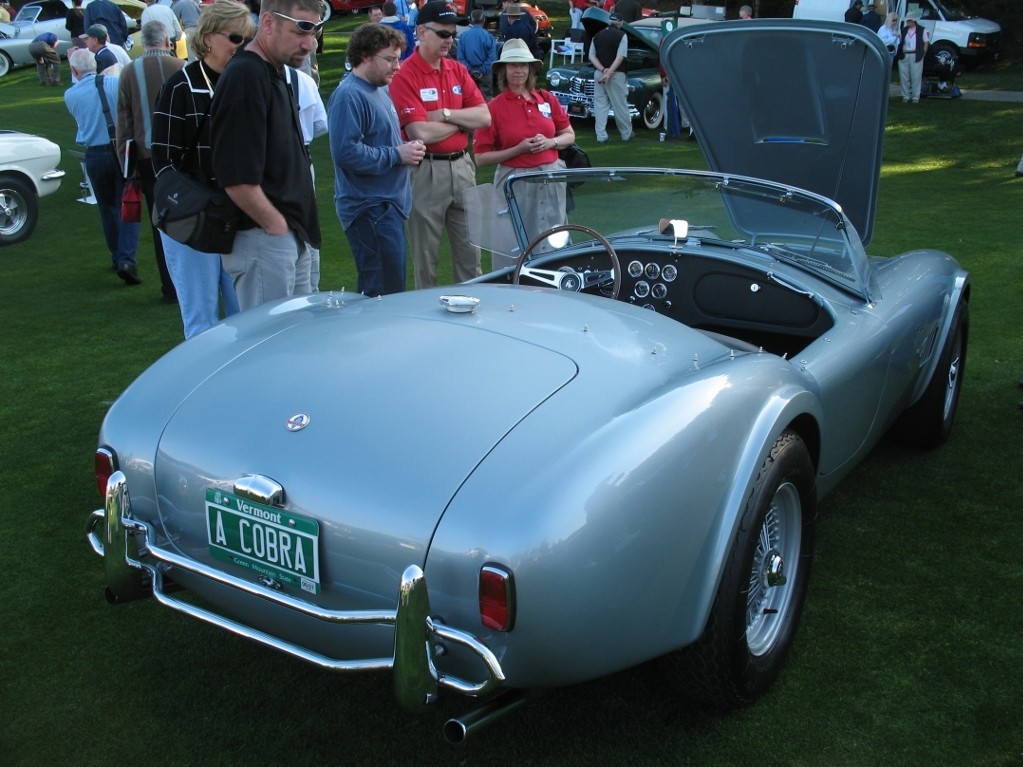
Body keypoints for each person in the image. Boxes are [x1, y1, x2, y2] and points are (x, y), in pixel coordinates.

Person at [151, 0, 255, 338]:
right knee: (201, 322)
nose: (243, 47)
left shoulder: (244, 83)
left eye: (248, 39)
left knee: (249, 316)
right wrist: (199, 203)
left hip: (237, 214)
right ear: (209, 37)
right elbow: (163, 162)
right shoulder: (181, 86)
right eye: (236, 38)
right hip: (192, 219)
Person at [210, 0, 321, 311]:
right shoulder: (246, 75)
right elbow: (236, 176)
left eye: (314, 33)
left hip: (289, 234)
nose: (308, 44)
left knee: (296, 339)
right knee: (269, 344)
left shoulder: (273, 71)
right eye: (301, 30)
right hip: (265, 237)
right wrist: (275, 227)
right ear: (269, 23)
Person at [387, 1, 490, 288]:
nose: (450, 40)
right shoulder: (405, 74)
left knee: (472, 259)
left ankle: (471, 324)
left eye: (452, 34)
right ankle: (427, 329)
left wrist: (446, 115)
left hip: (462, 167)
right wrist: (461, 122)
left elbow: (484, 116)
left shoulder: (457, 70)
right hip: (425, 173)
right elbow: (420, 131)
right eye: (443, 34)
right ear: (421, 31)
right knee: (426, 261)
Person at [329, 23, 425, 297]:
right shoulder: (349, 95)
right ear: (366, 56)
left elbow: (376, 142)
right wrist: (397, 154)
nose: (397, 66)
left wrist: (404, 148)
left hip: (386, 209)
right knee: (382, 296)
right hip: (370, 210)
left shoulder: (380, 90)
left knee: (390, 291)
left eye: (399, 58)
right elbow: (346, 153)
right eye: (390, 59)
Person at [473, 38, 574, 269]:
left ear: (530, 69)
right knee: (512, 244)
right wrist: (518, 149)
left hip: (551, 179)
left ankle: (553, 291)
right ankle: (511, 293)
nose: (518, 70)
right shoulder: (493, 108)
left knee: (553, 239)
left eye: (523, 64)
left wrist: (550, 142)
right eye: (512, 65)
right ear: (503, 70)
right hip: (515, 182)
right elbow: (480, 158)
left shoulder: (546, 98)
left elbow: (569, 135)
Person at [116, 20, 185, 303]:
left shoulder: (129, 72)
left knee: (161, 224)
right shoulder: (181, 67)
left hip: (147, 160)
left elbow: (124, 121)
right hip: (184, 158)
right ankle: (196, 284)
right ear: (167, 40)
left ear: (144, 42)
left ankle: (170, 288)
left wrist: (126, 163)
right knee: (192, 217)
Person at [65, 47, 142, 285]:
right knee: (129, 204)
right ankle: (126, 258)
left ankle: (117, 256)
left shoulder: (70, 94)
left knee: (107, 208)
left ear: (75, 71)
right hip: (120, 150)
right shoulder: (114, 83)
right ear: (96, 66)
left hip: (94, 155)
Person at [285, 63, 328, 289]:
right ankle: (311, 289)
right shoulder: (303, 79)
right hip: (304, 158)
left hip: (292, 162)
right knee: (306, 227)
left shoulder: (299, 79)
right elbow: (321, 124)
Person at [588, 12, 631, 143]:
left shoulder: (597, 35)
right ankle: (626, 134)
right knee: (620, 105)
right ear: (620, 22)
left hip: (598, 73)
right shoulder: (622, 35)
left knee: (600, 105)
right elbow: (620, 57)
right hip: (616, 75)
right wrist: (609, 73)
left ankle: (601, 136)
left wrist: (602, 70)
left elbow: (591, 56)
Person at [456, 9, 497, 99]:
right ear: (484, 20)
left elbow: (460, 57)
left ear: (471, 20)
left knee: (468, 99)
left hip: (468, 74)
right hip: (485, 75)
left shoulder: (463, 36)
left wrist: (470, 70)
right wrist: (482, 70)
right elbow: (492, 58)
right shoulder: (489, 37)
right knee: (486, 101)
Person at [897, 12, 929, 103]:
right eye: (907, 20)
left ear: (914, 21)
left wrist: (923, 54)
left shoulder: (922, 30)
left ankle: (915, 96)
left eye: (910, 20)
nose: (908, 22)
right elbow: (899, 41)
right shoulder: (903, 30)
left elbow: (926, 42)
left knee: (916, 77)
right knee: (903, 76)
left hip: (916, 54)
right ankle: (905, 96)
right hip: (904, 54)